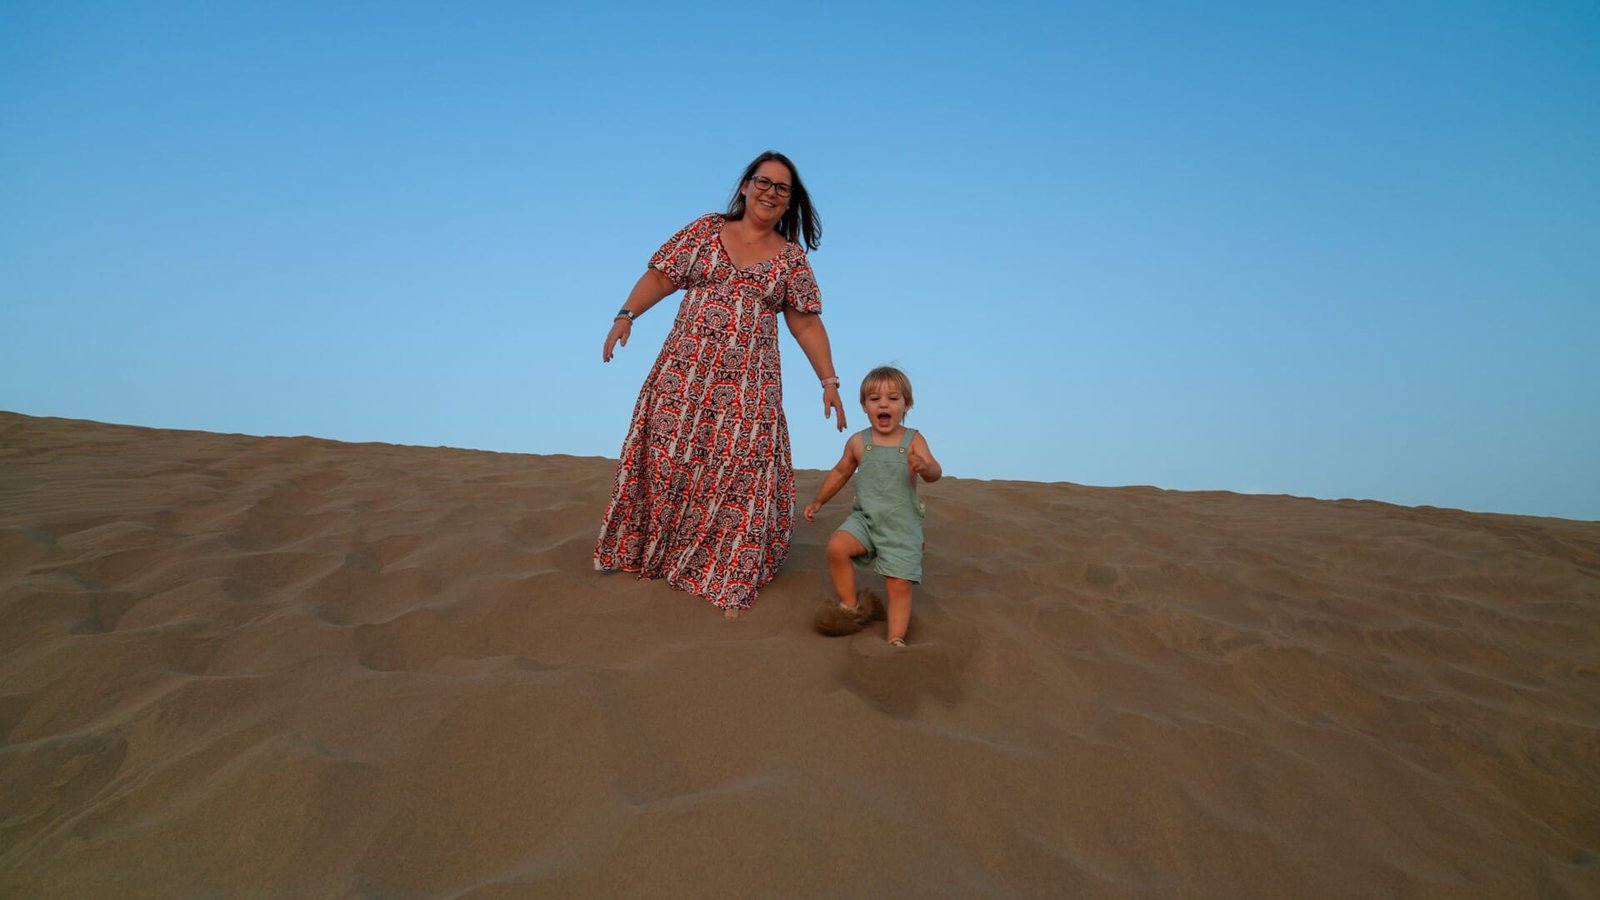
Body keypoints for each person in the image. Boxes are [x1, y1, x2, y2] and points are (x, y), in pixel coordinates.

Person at [595, 151, 847, 618]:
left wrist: (828, 380)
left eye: (782, 188)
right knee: (669, 459)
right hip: (684, 376)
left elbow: (807, 324)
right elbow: (662, 276)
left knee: (741, 471)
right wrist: (626, 315)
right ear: (747, 185)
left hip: (750, 386)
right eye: (764, 182)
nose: (771, 192)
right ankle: (653, 552)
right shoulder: (706, 230)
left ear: (791, 201)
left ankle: (727, 571)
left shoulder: (791, 259)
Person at [804, 366, 942, 646]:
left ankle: (895, 638)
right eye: (874, 399)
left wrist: (924, 467)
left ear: (907, 405)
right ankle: (851, 606)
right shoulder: (858, 442)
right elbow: (841, 472)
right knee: (836, 548)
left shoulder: (913, 439)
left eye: (893, 398)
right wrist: (819, 500)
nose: (884, 404)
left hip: (901, 526)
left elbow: (935, 471)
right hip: (865, 520)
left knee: (899, 585)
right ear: (864, 406)